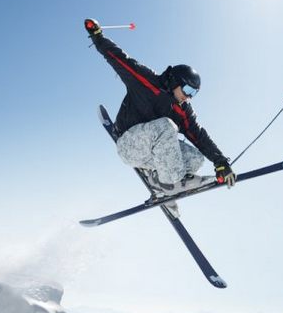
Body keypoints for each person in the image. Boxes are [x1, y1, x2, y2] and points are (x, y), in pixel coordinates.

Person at [84, 18, 235, 216]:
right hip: (129, 144)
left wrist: (220, 162)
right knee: (166, 125)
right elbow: (119, 58)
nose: (189, 96)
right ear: (176, 81)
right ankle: (169, 184)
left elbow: (199, 135)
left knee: (196, 158)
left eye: (194, 93)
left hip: (152, 156)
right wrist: (98, 36)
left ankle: (161, 182)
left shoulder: (183, 110)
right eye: (188, 89)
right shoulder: (147, 81)